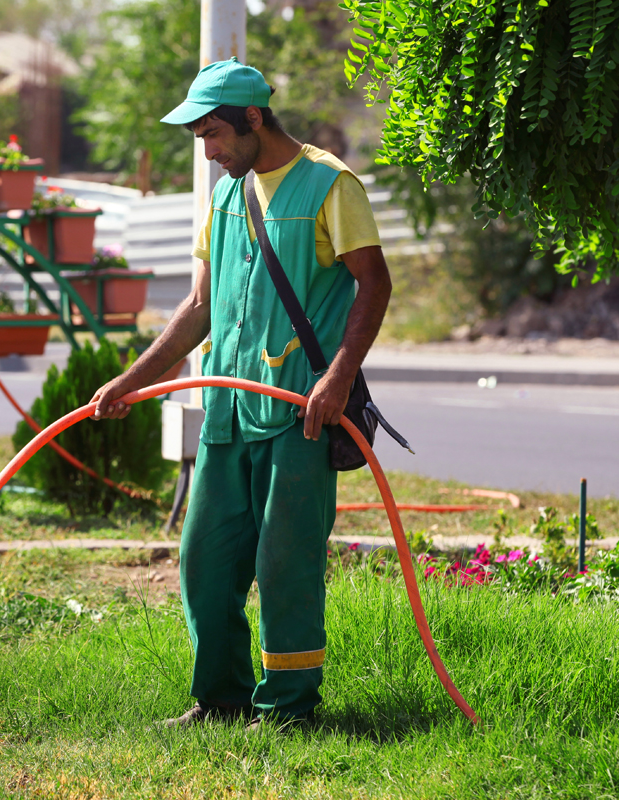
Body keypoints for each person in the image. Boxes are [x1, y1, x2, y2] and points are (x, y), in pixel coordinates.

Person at [89, 59, 391, 730]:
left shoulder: (329, 185)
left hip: (297, 414)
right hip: (225, 415)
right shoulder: (227, 195)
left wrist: (338, 376)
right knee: (205, 560)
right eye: (200, 137)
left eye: (215, 134)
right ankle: (221, 699)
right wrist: (132, 380)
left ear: (254, 118)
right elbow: (198, 305)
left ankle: (289, 708)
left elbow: (374, 282)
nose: (209, 150)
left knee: (286, 562)